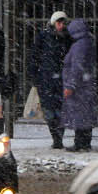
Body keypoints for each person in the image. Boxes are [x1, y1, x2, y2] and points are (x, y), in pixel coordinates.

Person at [29, 10, 71, 149]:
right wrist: (35, 76)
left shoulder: (66, 38)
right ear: (54, 23)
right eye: (59, 22)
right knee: (49, 111)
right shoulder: (44, 37)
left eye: (63, 23)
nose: (61, 25)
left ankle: (58, 138)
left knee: (60, 110)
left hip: (58, 79)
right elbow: (34, 57)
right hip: (46, 79)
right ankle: (56, 137)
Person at [61, 18, 98, 151]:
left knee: (79, 115)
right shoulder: (87, 42)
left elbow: (77, 67)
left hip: (80, 88)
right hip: (84, 85)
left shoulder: (79, 45)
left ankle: (80, 143)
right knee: (85, 115)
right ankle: (84, 142)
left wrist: (71, 85)